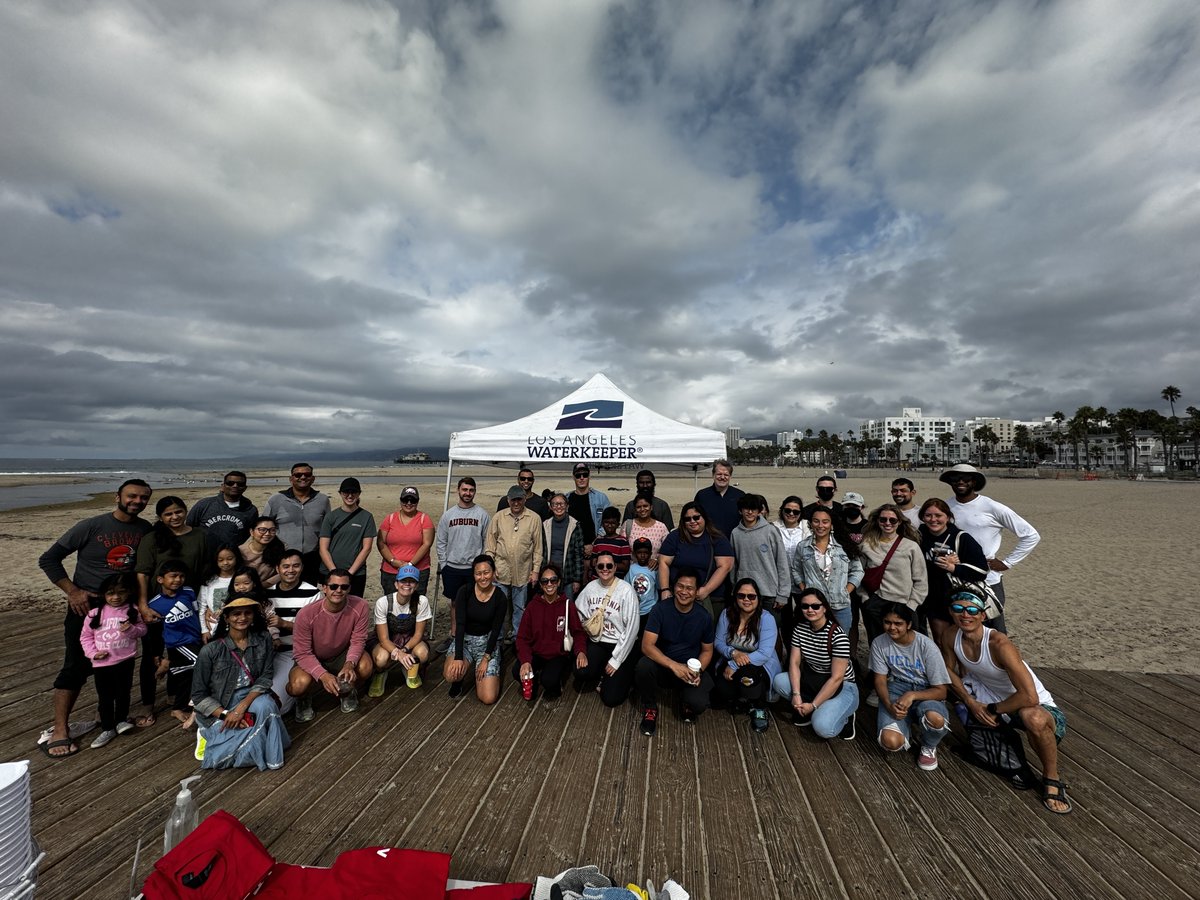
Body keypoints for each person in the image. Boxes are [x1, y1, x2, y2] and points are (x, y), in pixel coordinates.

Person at [38, 479, 153, 755]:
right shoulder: (91, 526)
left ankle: (112, 716)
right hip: (87, 606)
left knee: (120, 663)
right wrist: (73, 591)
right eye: (132, 496)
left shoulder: (145, 529)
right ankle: (60, 728)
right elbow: (49, 559)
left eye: (143, 498)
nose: (137, 501)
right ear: (117, 496)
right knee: (76, 665)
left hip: (124, 608)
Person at [941, 587, 1071, 814]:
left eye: (973, 610)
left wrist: (992, 709)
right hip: (989, 696)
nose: (965, 614)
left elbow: (1029, 696)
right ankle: (988, 749)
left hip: (1032, 705)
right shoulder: (951, 635)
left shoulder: (999, 645)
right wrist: (970, 702)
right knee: (957, 697)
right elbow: (948, 670)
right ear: (951, 612)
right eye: (958, 608)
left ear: (983, 615)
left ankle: (1052, 777)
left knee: (1033, 717)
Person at [134, 496, 211, 725]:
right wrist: (143, 605)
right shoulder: (152, 538)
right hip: (158, 607)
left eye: (178, 512)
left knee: (184, 649)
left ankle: (175, 696)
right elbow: (142, 573)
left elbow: (206, 569)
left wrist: (205, 606)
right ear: (160, 517)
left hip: (188, 603)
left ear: (186, 511)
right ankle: (148, 705)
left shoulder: (200, 535)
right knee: (153, 654)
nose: (174, 517)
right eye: (168, 514)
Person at [191, 596, 291, 770]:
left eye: (247, 613)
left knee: (266, 705)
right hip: (221, 704)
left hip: (251, 696)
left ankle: (272, 757)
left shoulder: (263, 639)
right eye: (236, 614)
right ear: (226, 618)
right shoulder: (210, 650)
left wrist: (241, 708)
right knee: (220, 758)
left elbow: (265, 676)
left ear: (253, 616)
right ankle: (208, 734)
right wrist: (226, 714)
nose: (242, 618)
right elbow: (199, 696)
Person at [941, 464, 1041, 634]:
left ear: (974, 482)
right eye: (955, 478)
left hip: (988, 580)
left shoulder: (992, 507)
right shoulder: (945, 507)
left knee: (994, 632)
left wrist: (1007, 563)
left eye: (965, 478)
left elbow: (1031, 535)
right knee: (960, 631)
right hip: (954, 578)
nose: (960, 482)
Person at [870, 601, 951, 771]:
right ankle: (905, 724)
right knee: (891, 742)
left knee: (935, 719)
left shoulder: (927, 646)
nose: (892, 628)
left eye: (898, 623)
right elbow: (880, 680)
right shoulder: (879, 643)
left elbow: (942, 691)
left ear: (909, 624)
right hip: (897, 686)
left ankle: (929, 745)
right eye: (887, 622)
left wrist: (912, 695)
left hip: (926, 689)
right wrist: (888, 705)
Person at [771, 587, 859, 740]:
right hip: (815, 679)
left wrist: (813, 706)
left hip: (842, 685)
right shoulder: (800, 629)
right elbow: (794, 663)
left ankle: (844, 715)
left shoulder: (838, 636)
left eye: (815, 606)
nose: (810, 610)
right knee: (779, 681)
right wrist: (796, 695)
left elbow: (837, 678)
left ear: (824, 608)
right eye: (805, 606)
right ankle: (816, 707)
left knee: (823, 728)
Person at [636, 570, 716, 735]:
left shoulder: (704, 617)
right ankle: (650, 707)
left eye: (690, 588)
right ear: (673, 587)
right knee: (643, 666)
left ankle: (685, 700)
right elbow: (647, 646)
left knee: (698, 704)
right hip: (663, 665)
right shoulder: (660, 609)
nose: (684, 591)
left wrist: (698, 671)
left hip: (689, 670)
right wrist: (674, 666)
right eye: (680, 586)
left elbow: (707, 650)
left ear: (696, 591)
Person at [287, 570, 373, 721]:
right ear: (324, 588)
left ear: (349, 589)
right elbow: (302, 653)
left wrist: (349, 664)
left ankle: (347, 691)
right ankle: (303, 697)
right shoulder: (306, 614)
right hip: (313, 656)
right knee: (297, 686)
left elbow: (358, 640)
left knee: (365, 667)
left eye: (344, 587)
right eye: (333, 586)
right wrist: (323, 675)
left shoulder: (361, 606)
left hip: (341, 653)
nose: (338, 590)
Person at [79, 573, 147, 748]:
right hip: (102, 664)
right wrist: (93, 653)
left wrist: (131, 630)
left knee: (123, 692)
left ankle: (121, 720)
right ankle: (107, 727)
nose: (116, 597)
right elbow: (85, 637)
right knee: (105, 696)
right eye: (110, 593)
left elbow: (142, 630)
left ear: (128, 593)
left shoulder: (133, 611)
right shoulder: (95, 614)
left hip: (125, 660)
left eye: (121, 592)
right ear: (103, 594)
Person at [712, 577, 781, 733]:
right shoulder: (726, 614)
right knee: (723, 690)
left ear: (758, 598)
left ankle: (759, 706)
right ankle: (742, 698)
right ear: (735, 597)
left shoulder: (766, 619)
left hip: (759, 664)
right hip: (732, 658)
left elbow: (764, 653)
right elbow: (718, 642)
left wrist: (734, 664)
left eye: (751, 596)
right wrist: (733, 653)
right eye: (741, 595)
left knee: (748, 678)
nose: (746, 599)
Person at [573, 551, 640, 707]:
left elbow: (632, 629)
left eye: (609, 566)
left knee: (611, 699)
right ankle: (603, 670)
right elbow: (577, 613)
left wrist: (616, 660)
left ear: (615, 567)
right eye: (601, 566)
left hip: (620, 643)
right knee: (581, 671)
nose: (605, 569)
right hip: (598, 641)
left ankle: (623, 674)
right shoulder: (590, 587)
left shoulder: (626, 591)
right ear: (596, 568)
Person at [433, 477, 491, 655]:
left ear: (475, 492)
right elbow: (441, 541)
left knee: (476, 602)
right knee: (455, 603)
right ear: (458, 490)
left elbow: (487, 541)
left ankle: (474, 635)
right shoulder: (448, 515)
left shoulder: (482, 514)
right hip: (452, 567)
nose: (467, 493)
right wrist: (444, 564)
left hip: (473, 569)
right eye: (465, 489)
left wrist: (482, 565)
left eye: (471, 490)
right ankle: (454, 634)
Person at [918, 498, 988, 645]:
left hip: (958, 596)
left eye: (938, 515)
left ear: (948, 517)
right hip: (933, 598)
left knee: (965, 641)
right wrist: (938, 564)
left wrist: (954, 568)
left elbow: (982, 571)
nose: (933, 520)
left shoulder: (961, 538)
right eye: (928, 515)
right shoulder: (920, 535)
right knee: (941, 641)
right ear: (922, 517)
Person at [513, 562, 585, 701]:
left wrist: (581, 651)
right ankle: (534, 682)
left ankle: (556, 682)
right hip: (536, 652)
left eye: (553, 580)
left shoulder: (567, 605)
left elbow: (578, 632)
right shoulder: (532, 606)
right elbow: (522, 637)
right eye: (545, 581)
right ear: (540, 585)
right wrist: (526, 661)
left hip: (558, 654)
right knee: (517, 671)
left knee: (549, 682)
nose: (549, 584)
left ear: (559, 582)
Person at [858, 504, 926, 649]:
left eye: (892, 520)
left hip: (905, 604)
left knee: (909, 648)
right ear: (877, 521)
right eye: (883, 519)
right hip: (876, 603)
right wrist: (865, 598)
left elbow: (921, 580)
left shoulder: (911, 546)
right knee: (878, 646)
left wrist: (912, 605)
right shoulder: (866, 545)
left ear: (899, 522)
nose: (887, 523)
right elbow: (858, 574)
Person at [444, 555, 508, 704]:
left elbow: (496, 630)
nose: (482, 577)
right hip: (465, 640)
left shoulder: (500, 597)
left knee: (488, 697)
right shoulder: (464, 591)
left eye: (486, 572)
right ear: (473, 575)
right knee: (451, 674)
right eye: (478, 573)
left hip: (487, 643)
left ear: (493, 572)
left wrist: (486, 658)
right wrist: (458, 657)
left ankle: (494, 663)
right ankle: (459, 680)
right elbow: (460, 625)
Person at [146, 559, 203, 729]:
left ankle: (177, 707)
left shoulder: (189, 592)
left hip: (195, 638)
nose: (178, 580)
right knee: (201, 661)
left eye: (181, 576)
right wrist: (157, 654)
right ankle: (170, 664)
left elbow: (197, 611)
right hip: (177, 643)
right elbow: (154, 632)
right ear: (160, 579)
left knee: (186, 676)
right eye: (173, 576)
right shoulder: (154, 604)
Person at [265, 549, 321, 715]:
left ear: (302, 568)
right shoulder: (267, 594)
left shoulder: (313, 594)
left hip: (295, 652)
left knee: (279, 703)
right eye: (286, 566)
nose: (291, 570)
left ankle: (303, 696)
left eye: (296, 566)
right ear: (277, 569)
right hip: (268, 652)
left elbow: (316, 631)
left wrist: (284, 624)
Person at [790, 508, 862, 638]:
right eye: (816, 521)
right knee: (815, 642)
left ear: (831, 524)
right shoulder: (803, 546)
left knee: (839, 641)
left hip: (840, 605)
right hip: (814, 606)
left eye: (825, 521)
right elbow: (796, 569)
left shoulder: (844, 545)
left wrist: (846, 590)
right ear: (810, 523)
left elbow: (858, 570)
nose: (820, 525)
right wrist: (804, 588)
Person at [657, 501, 735, 620]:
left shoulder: (717, 538)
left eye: (696, 517)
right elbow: (663, 562)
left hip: (709, 598)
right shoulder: (675, 537)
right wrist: (665, 589)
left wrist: (706, 590)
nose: (692, 521)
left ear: (704, 517)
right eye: (687, 519)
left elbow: (725, 566)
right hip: (678, 596)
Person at [484, 486, 542, 638]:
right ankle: (498, 640)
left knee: (519, 608)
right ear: (508, 500)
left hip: (523, 572)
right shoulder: (498, 517)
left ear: (524, 499)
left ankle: (518, 639)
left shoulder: (534, 518)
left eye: (519, 499)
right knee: (499, 608)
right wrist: (491, 568)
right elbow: (490, 545)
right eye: (513, 500)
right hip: (500, 571)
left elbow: (538, 548)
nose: (516, 503)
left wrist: (535, 571)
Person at [368, 565, 432, 697]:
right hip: (388, 639)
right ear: (396, 584)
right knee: (381, 658)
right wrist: (398, 653)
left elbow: (418, 634)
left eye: (412, 581)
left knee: (423, 653)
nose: (407, 584)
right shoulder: (383, 602)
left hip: (410, 638)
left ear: (416, 585)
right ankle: (380, 673)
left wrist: (404, 650)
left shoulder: (422, 601)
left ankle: (409, 668)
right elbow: (383, 639)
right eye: (403, 581)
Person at [263, 463, 330, 585]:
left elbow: (327, 529)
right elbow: (264, 526)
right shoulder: (276, 499)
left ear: (313, 478)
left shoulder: (322, 500)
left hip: (312, 557)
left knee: (308, 591)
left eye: (307, 474)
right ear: (291, 479)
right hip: (283, 557)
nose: (303, 477)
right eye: (298, 475)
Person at [317, 477, 377, 599]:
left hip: (356, 573)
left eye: (353, 492)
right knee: (330, 604)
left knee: (354, 605)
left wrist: (350, 573)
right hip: (329, 571)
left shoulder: (367, 517)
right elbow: (323, 548)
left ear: (359, 494)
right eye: (346, 492)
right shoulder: (331, 517)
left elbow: (366, 548)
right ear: (340, 493)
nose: (350, 495)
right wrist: (333, 572)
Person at [730, 494, 790, 610]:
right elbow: (734, 565)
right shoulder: (735, 533)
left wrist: (783, 594)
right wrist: (734, 588)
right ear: (740, 511)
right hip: (745, 594)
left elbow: (782, 562)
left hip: (769, 594)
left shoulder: (770, 531)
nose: (750, 512)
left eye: (754, 509)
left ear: (759, 511)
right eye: (746, 508)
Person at [377, 486, 434, 598]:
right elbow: (381, 543)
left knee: (416, 603)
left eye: (413, 500)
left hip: (417, 570)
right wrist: (393, 561)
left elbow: (427, 544)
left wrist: (410, 565)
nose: (409, 503)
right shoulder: (390, 519)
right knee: (392, 602)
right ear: (400, 500)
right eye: (405, 500)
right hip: (391, 571)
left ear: (417, 501)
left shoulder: (424, 519)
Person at [186, 471, 258, 547]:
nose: (235, 486)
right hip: (203, 551)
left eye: (240, 484)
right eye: (230, 483)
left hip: (231, 553)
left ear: (245, 488)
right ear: (223, 486)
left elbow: (248, 533)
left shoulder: (251, 510)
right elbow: (189, 526)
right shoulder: (204, 504)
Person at [542, 493, 585, 598]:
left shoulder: (575, 525)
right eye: (555, 504)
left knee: (567, 605)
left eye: (561, 504)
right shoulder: (545, 525)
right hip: (549, 576)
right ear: (551, 507)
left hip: (568, 575)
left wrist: (577, 579)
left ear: (567, 506)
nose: (558, 507)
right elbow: (541, 551)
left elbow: (579, 555)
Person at [693, 459, 744, 538]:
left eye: (726, 475)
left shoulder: (740, 496)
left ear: (730, 476)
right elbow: (694, 520)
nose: (722, 477)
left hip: (733, 541)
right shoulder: (702, 496)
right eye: (719, 474)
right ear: (713, 475)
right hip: (708, 541)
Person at [199, 546, 240, 640]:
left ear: (236, 558)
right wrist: (204, 630)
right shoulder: (209, 580)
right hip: (213, 629)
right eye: (221, 560)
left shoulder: (241, 578)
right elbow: (202, 606)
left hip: (238, 627)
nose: (225, 563)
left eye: (230, 559)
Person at [568, 463, 611, 551]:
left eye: (585, 475)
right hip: (572, 549)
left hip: (596, 548)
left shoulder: (601, 498)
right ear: (573, 477)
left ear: (589, 476)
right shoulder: (567, 498)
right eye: (578, 475)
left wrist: (594, 544)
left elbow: (608, 521)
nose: (582, 478)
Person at [622, 494, 669, 568]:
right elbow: (621, 549)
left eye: (645, 506)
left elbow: (668, 550)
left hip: (654, 571)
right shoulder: (627, 525)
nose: (642, 509)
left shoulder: (661, 527)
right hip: (632, 571)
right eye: (638, 507)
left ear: (651, 507)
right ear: (635, 509)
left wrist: (657, 560)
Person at [238, 516, 284, 587]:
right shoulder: (239, 551)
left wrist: (263, 585)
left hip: (269, 588)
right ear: (251, 532)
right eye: (262, 530)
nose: (267, 533)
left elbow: (284, 572)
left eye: (272, 530)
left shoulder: (280, 549)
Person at [625, 538, 660, 630]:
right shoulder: (631, 569)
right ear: (634, 554)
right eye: (639, 552)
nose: (643, 555)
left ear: (650, 554)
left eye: (646, 553)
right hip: (634, 610)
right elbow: (626, 587)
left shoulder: (654, 569)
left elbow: (659, 587)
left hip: (650, 609)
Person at [589, 506, 631, 580]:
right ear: (602, 524)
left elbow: (625, 566)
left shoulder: (623, 542)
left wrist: (607, 565)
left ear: (618, 525)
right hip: (597, 580)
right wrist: (594, 562)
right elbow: (593, 562)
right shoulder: (598, 541)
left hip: (615, 581)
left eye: (613, 523)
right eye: (606, 522)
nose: (609, 526)